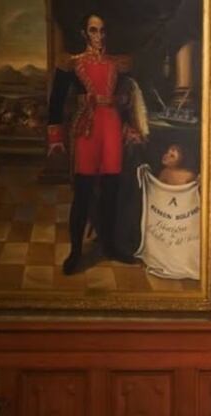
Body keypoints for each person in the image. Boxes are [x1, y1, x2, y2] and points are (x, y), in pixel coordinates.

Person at [47, 13, 146, 274]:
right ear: (84, 34)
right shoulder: (71, 64)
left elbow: (130, 97)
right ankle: (76, 251)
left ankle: (111, 246)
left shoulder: (118, 64)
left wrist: (132, 126)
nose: (99, 36)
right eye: (93, 31)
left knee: (112, 190)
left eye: (102, 30)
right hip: (86, 130)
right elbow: (56, 102)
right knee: (82, 193)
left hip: (112, 127)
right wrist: (55, 138)